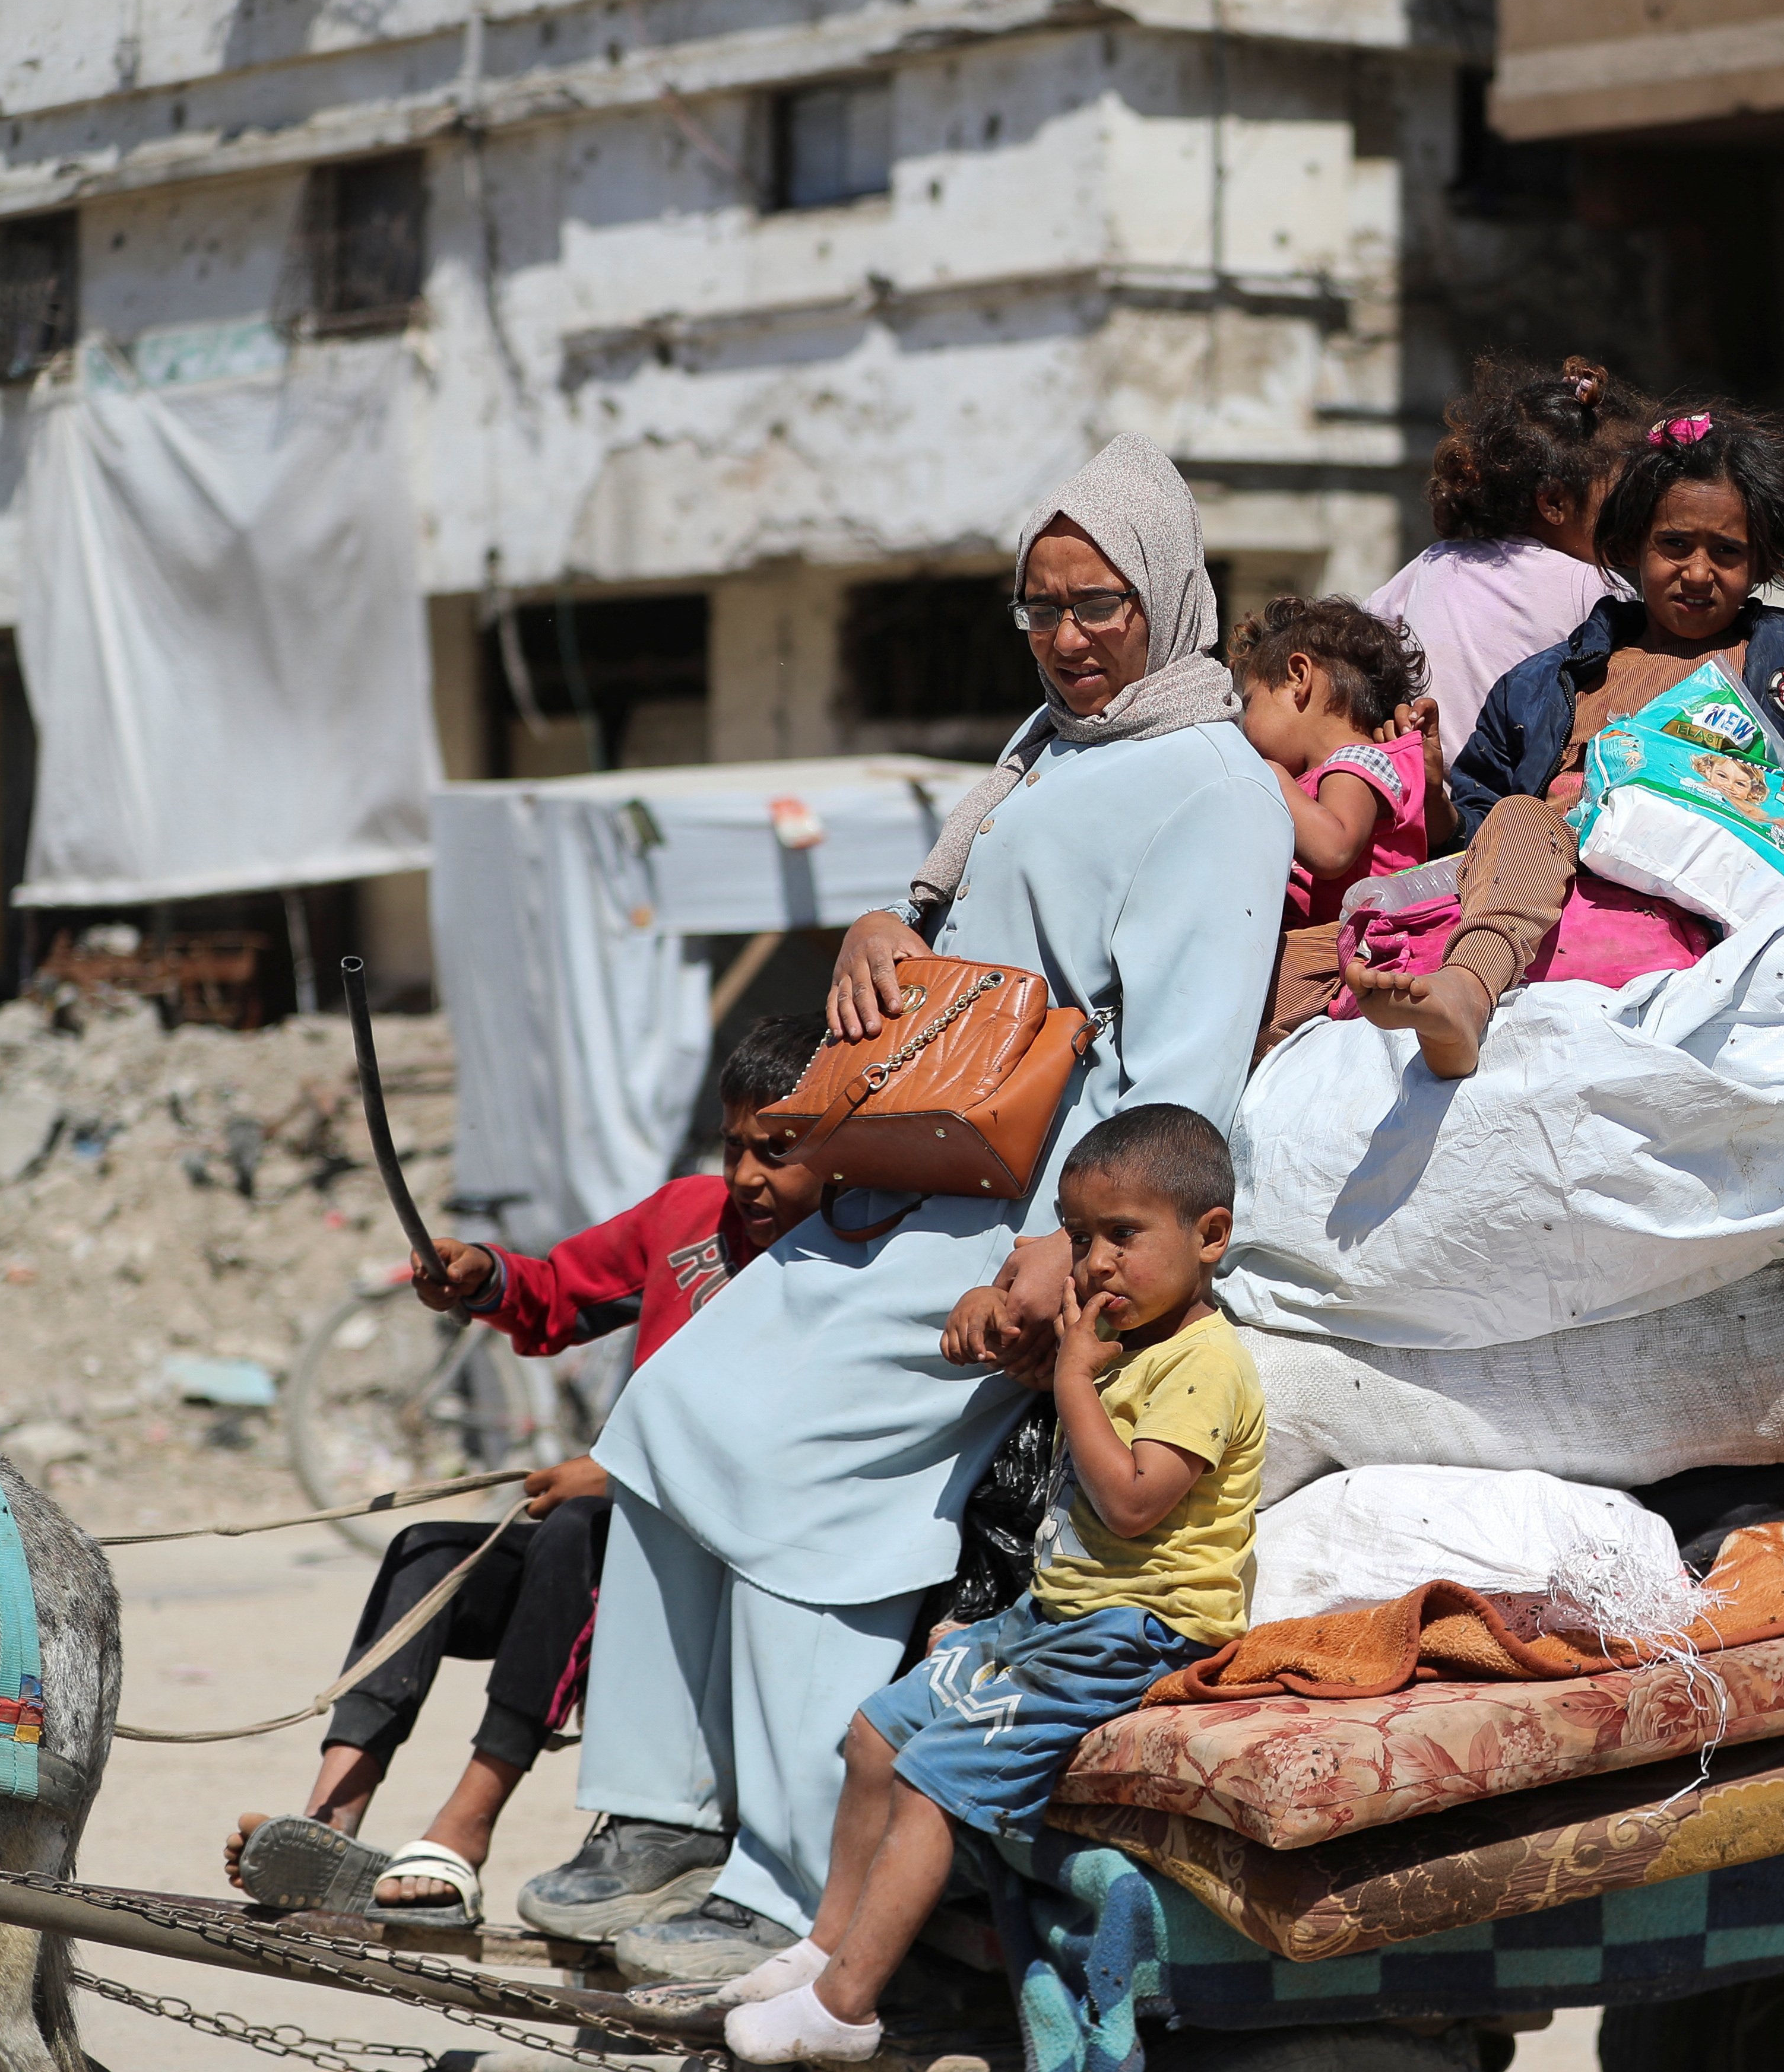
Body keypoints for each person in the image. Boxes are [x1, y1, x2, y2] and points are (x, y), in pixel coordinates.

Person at [520, 434, 1292, 1984]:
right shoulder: (1046, 750)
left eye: (1103, 605)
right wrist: (887, 918)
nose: (1072, 637)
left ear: (1169, 597)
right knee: (676, 1405)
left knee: (808, 1476)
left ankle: (787, 1878)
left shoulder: (1213, 785)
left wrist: (1067, 1252)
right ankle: (659, 1810)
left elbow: (1183, 1063)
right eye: (1043, 606)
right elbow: (957, 935)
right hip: (916, 1187)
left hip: (1030, 1212)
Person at [226, 1013, 832, 1928]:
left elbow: (790, 1443)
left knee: (581, 1534)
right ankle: (330, 1821)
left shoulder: (849, 1265)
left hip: (716, 1570)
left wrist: (623, 1480)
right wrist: (482, 1278)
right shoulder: (684, 1219)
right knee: (428, 1553)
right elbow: (556, 1295)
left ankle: (466, 1827)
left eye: (779, 1152)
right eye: (735, 1147)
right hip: (620, 1536)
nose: (748, 1175)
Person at [717, 1106, 1259, 2063]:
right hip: (1060, 1618)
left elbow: (1135, 1505)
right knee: (877, 1732)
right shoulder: (1118, 1345)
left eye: (1123, 1238)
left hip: (1139, 1630)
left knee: (934, 1782)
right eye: (1081, 1237)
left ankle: (845, 2009)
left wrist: (1072, 1385)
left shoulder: (1204, 1363)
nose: (1094, 1266)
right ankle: (825, 1944)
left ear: (1209, 1236)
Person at [1345, 400, 1784, 1078]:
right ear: (1632, 544)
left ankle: (1466, 991)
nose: (1698, 572)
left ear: (1762, 562)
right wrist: (1435, 797)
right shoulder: (1541, 687)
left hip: (1710, 922)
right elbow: (1473, 840)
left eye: (1727, 552)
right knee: (1307, 964)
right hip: (1547, 919)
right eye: (1675, 546)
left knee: (1523, 817)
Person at [1367, 355, 1650, 777]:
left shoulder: (1434, 561)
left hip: (1413, 791)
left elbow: (1359, 637)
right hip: (1508, 806)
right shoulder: (1593, 587)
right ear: (1554, 503)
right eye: (1620, 500)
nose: (1635, 517)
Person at [1234, 596, 1440, 1055]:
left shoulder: (1358, 760)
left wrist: (1271, 778)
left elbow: (1332, 851)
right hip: (1335, 955)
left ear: (1298, 679)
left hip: (1361, 949)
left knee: (1237, 1006)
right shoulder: (1328, 774)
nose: (1241, 727)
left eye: (1248, 704)